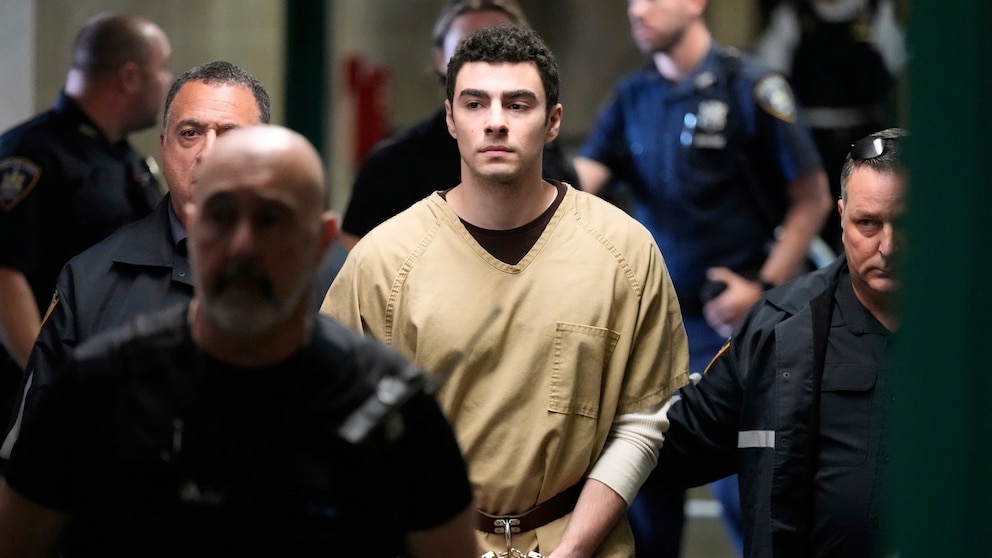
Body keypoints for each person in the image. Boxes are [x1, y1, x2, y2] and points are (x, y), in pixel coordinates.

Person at [0, 124, 479, 557]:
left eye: (271, 219)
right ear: (192, 227)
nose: (243, 246)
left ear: (321, 240)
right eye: (221, 216)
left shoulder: (392, 413)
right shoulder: (97, 389)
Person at [322, 23, 689, 557]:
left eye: (518, 105)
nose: (495, 122)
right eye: (475, 104)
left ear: (553, 121)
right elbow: (340, 424)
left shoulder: (623, 252)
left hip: (578, 538)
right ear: (450, 119)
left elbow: (641, 420)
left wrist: (572, 551)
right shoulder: (384, 260)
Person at [572, 0, 834, 554]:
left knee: (748, 498)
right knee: (640, 500)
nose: (637, 10)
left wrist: (763, 290)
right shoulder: (633, 96)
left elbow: (812, 197)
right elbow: (575, 188)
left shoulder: (750, 87)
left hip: (730, 331)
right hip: (651, 331)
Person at [656, 128, 907, 557]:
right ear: (842, 217)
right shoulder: (779, 326)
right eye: (868, 223)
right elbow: (678, 442)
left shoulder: (972, 333)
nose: (888, 246)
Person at [1, 61, 270, 459]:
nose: (208, 153)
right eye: (190, 133)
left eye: (230, 134)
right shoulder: (89, 281)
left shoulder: (325, 274)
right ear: (164, 146)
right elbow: (30, 457)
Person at [0, 11, 172, 432]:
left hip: (111, 391)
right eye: (163, 68)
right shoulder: (33, 154)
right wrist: (52, 386)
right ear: (129, 77)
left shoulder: (126, 159)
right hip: (45, 402)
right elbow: (5, 278)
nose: (168, 81)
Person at [337, 0, 578, 250]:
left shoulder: (553, 164)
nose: (489, 59)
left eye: (505, 46)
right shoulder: (391, 165)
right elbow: (357, 255)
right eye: (468, 47)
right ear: (441, 58)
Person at [754, 0, 907, 252]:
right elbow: (768, 73)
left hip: (864, 136)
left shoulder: (875, 12)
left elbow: (898, 63)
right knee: (813, 225)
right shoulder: (794, 14)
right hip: (810, 139)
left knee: (867, 220)